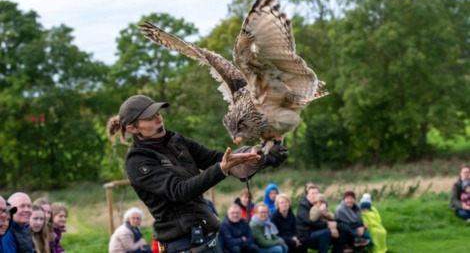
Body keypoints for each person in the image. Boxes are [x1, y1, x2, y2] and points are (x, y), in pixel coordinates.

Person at [106, 95, 288, 252]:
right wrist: (221, 169)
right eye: (149, 117)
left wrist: (261, 155)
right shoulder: (138, 161)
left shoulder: (175, 140)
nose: (158, 119)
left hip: (208, 236)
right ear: (132, 128)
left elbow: (217, 158)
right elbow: (179, 191)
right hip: (182, 244)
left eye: (158, 113)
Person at [296, 187, 335, 253]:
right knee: (326, 233)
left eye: (317, 193)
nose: (315, 195)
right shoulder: (303, 207)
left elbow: (330, 216)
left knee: (340, 232)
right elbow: (311, 221)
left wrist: (334, 224)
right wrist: (327, 224)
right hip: (306, 235)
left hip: (316, 232)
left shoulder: (320, 205)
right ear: (307, 196)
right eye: (312, 193)